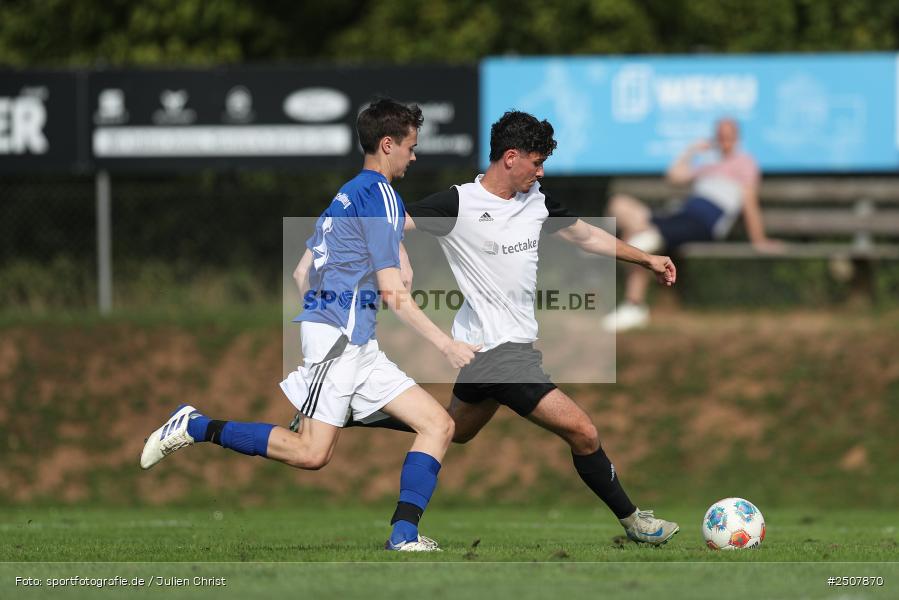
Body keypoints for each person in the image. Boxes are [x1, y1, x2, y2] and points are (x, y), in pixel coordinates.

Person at [139, 98, 478, 552]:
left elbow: (302, 272)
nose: (414, 157)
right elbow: (394, 292)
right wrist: (445, 345)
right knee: (311, 454)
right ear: (387, 144)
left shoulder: (347, 193)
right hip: (338, 342)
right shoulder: (379, 195)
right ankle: (197, 426)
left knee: (438, 425)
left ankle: (404, 536)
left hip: (352, 342)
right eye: (411, 147)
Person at [354, 110, 681, 546]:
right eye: (536, 161)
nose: (540, 171)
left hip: (496, 350)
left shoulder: (537, 201)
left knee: (454, 429)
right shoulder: (459, 202)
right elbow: (389, 223)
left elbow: (586, 236)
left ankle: (344, 414)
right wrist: (399, 254)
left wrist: (646, 258)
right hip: (497, 353)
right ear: (510, 157)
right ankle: (634, 521)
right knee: (583, 431)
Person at [604, 117, 780, 331]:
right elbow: (673, 176)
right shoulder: (708, 162)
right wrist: (692, 149)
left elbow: (749, 202)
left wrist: (758, 240)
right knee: (619, 205)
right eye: (720, 135)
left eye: (729, 135)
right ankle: (613, 259)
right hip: (681, 214)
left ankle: (633, 304)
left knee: (639, 241)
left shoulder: (745, 163)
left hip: (705, 221)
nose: (724, 140)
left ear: (737, 137)